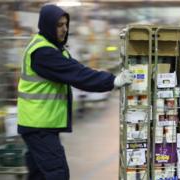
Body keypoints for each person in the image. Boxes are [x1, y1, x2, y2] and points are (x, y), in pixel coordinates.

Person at [17, 4, 133, 180]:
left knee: (39, 175)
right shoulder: (43, 52)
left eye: (65, 24)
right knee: (58, 173)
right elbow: (77, 74)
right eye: (59, 25)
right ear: (47, 25)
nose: (64, 29)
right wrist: (112, 81)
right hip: (39, 125)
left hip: (39, 124)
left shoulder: (53, 48)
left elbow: (76, 70)